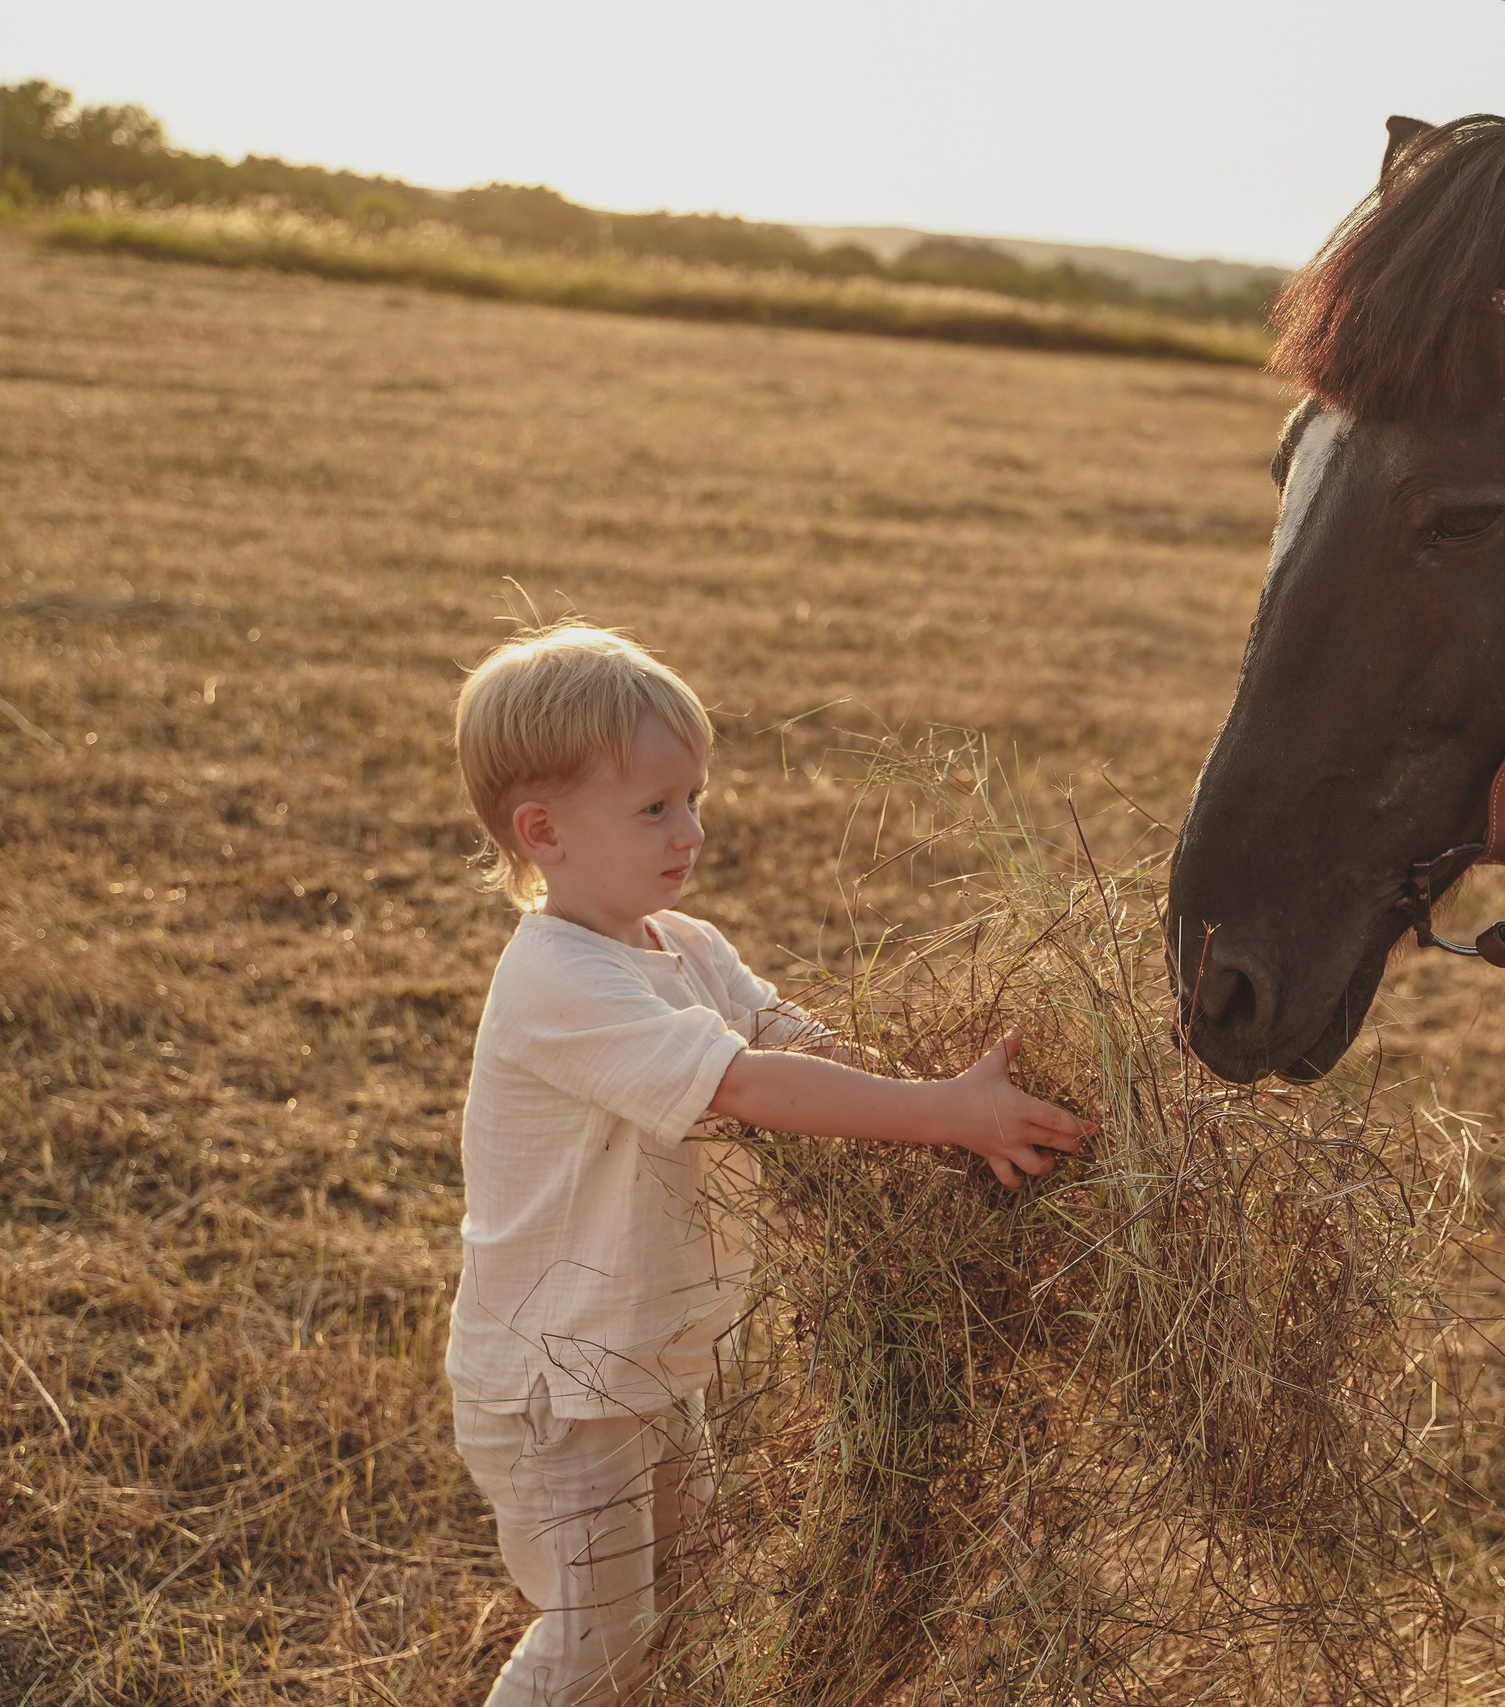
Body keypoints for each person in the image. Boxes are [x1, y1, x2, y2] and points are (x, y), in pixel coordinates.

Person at [445, 621, 1089, 1706]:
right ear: (543, 831)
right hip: (557, 1388)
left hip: (654, 1361)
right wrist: (943, 1114)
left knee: (684, 1608)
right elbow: (744, 1084)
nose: (690, 829)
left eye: (695, 797)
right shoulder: (555, 980)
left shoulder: (688, 946)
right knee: (595, 1645)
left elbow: (797, 1044)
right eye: (655, 808)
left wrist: (942, 1099)